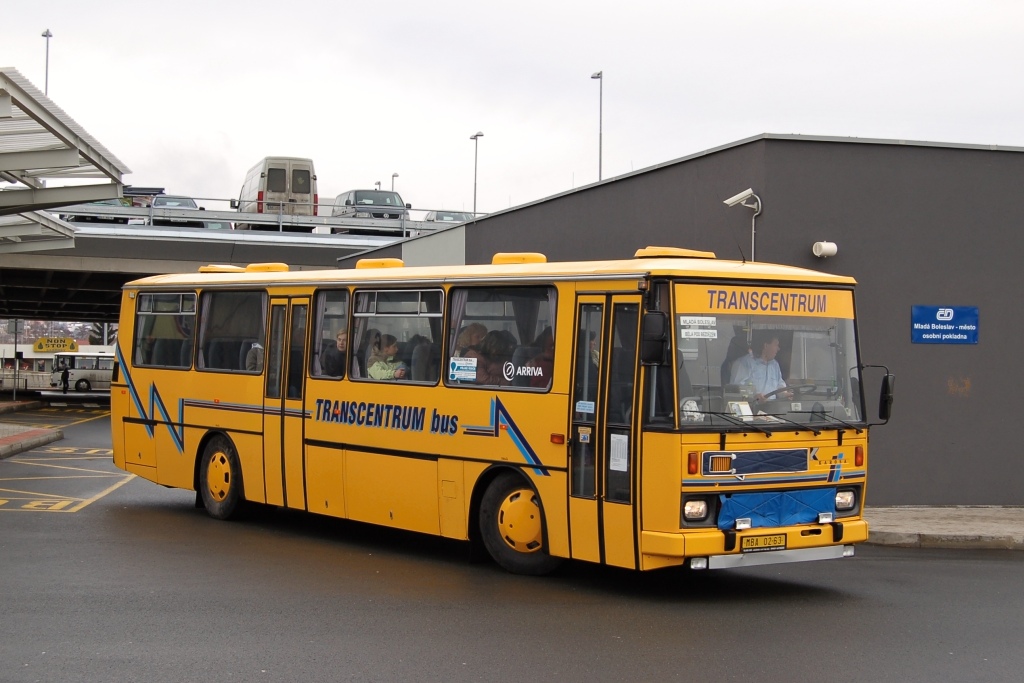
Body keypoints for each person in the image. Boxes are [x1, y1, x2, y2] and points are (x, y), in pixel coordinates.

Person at [731, 333, 792, 402]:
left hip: (773, 409)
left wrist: (785, 394)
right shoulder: (744, 363)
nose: (778, 349)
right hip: (752, 408)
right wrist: (754, 396)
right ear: (766, 346)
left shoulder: (775, 365)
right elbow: (735, 389)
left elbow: (779, 386)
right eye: (776, 345)